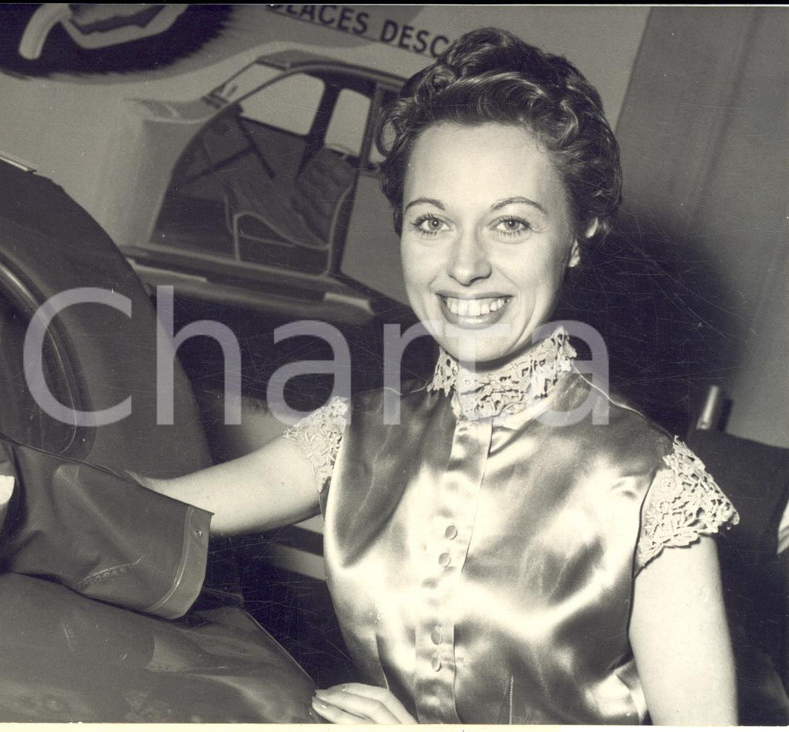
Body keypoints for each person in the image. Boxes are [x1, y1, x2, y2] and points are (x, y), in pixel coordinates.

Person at [138, 27, 740, 725]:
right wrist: (0, 479)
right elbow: (146, 512)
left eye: (510, 225)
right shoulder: (354, 432)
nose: (463, 265)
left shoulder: (654, 487)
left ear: (577, 237)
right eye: (432, 222)